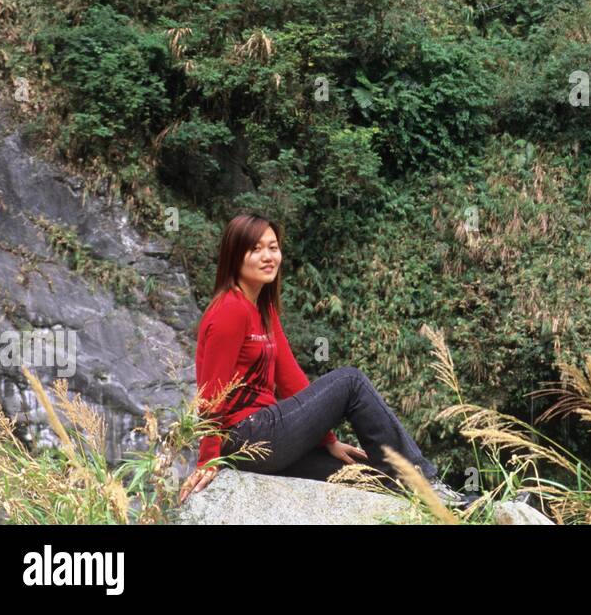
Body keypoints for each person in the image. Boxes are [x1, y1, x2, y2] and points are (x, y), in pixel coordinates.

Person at [178, 213, 471, 506]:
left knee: (360, 474)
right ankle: (427, 483)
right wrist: (208, 459)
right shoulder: (230, 310)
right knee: (350, 381)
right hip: (248, 436)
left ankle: (451, 507)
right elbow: (211, 393)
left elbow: (291, 381)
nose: (268, 257)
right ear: (234, 255)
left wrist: (327, 440)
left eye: (273, 247)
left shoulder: (263, 310)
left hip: (267, 440)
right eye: (256, 249)